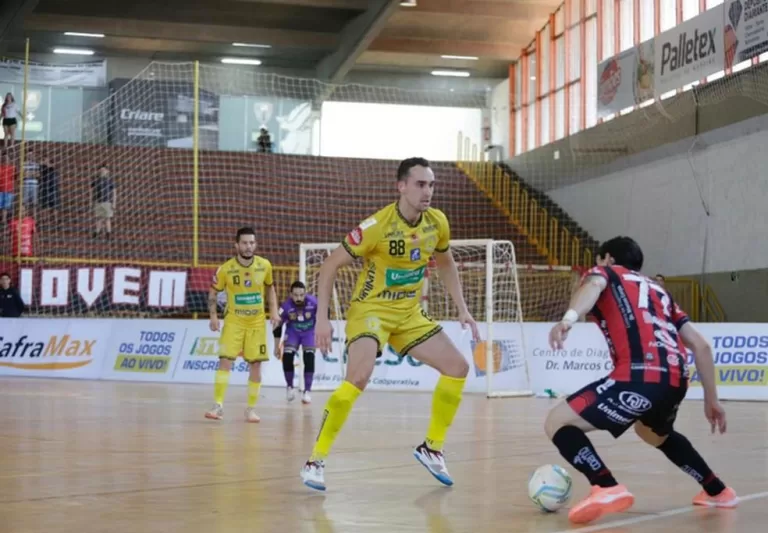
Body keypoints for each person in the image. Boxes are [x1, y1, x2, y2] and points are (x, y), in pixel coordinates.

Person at [300, 157, 480, 492]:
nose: (428, 191)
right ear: (402, 187)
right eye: (420, 184)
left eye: (431, 184)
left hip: (408, 314)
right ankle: (315, 460)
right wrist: (321, 319)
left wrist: (463, 310)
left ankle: (432, 448)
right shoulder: (376, 227)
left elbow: (445, 263)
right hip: (370, 311)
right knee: (358, 377)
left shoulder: (437, 222)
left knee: (457, 367)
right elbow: (328, 266)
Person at [544, 236, 737, 525]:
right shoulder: (659, 291)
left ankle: (605, 485)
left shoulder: (606, 273)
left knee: (557, 421)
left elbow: (593, 285)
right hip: (675, 379)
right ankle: (718, 491)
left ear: (607, 258)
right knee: (652, 433)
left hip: (638, 375)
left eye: (599, 261)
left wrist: (568, 319)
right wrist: (712, 399)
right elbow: (701, 346)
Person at [206, 226, 279, 423]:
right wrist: (213, 316)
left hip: (256, 323)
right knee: (225, 361)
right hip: (234, 322)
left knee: (256, 365)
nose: (249, 246)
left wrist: (273, 310)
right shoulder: (226, 269)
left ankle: (251, 409)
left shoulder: (265, 265)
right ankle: (218, 406)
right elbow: (213, 292)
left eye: (252, 243)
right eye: (245, 243)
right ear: (236, 245)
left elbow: (270, 288)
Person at [273, 281, 319, 404]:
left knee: (309, 357)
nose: (299, 298)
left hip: (309, 332)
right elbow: (277, 327)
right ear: (290, 294)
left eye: (301, 295)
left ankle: (307, 391)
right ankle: (289, 387)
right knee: (287, 357)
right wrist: (276, 346)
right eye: (295, 295)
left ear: (305, 293)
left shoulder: (314, 303)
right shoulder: (285, 307)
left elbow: (325, 315)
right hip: (293, 332)